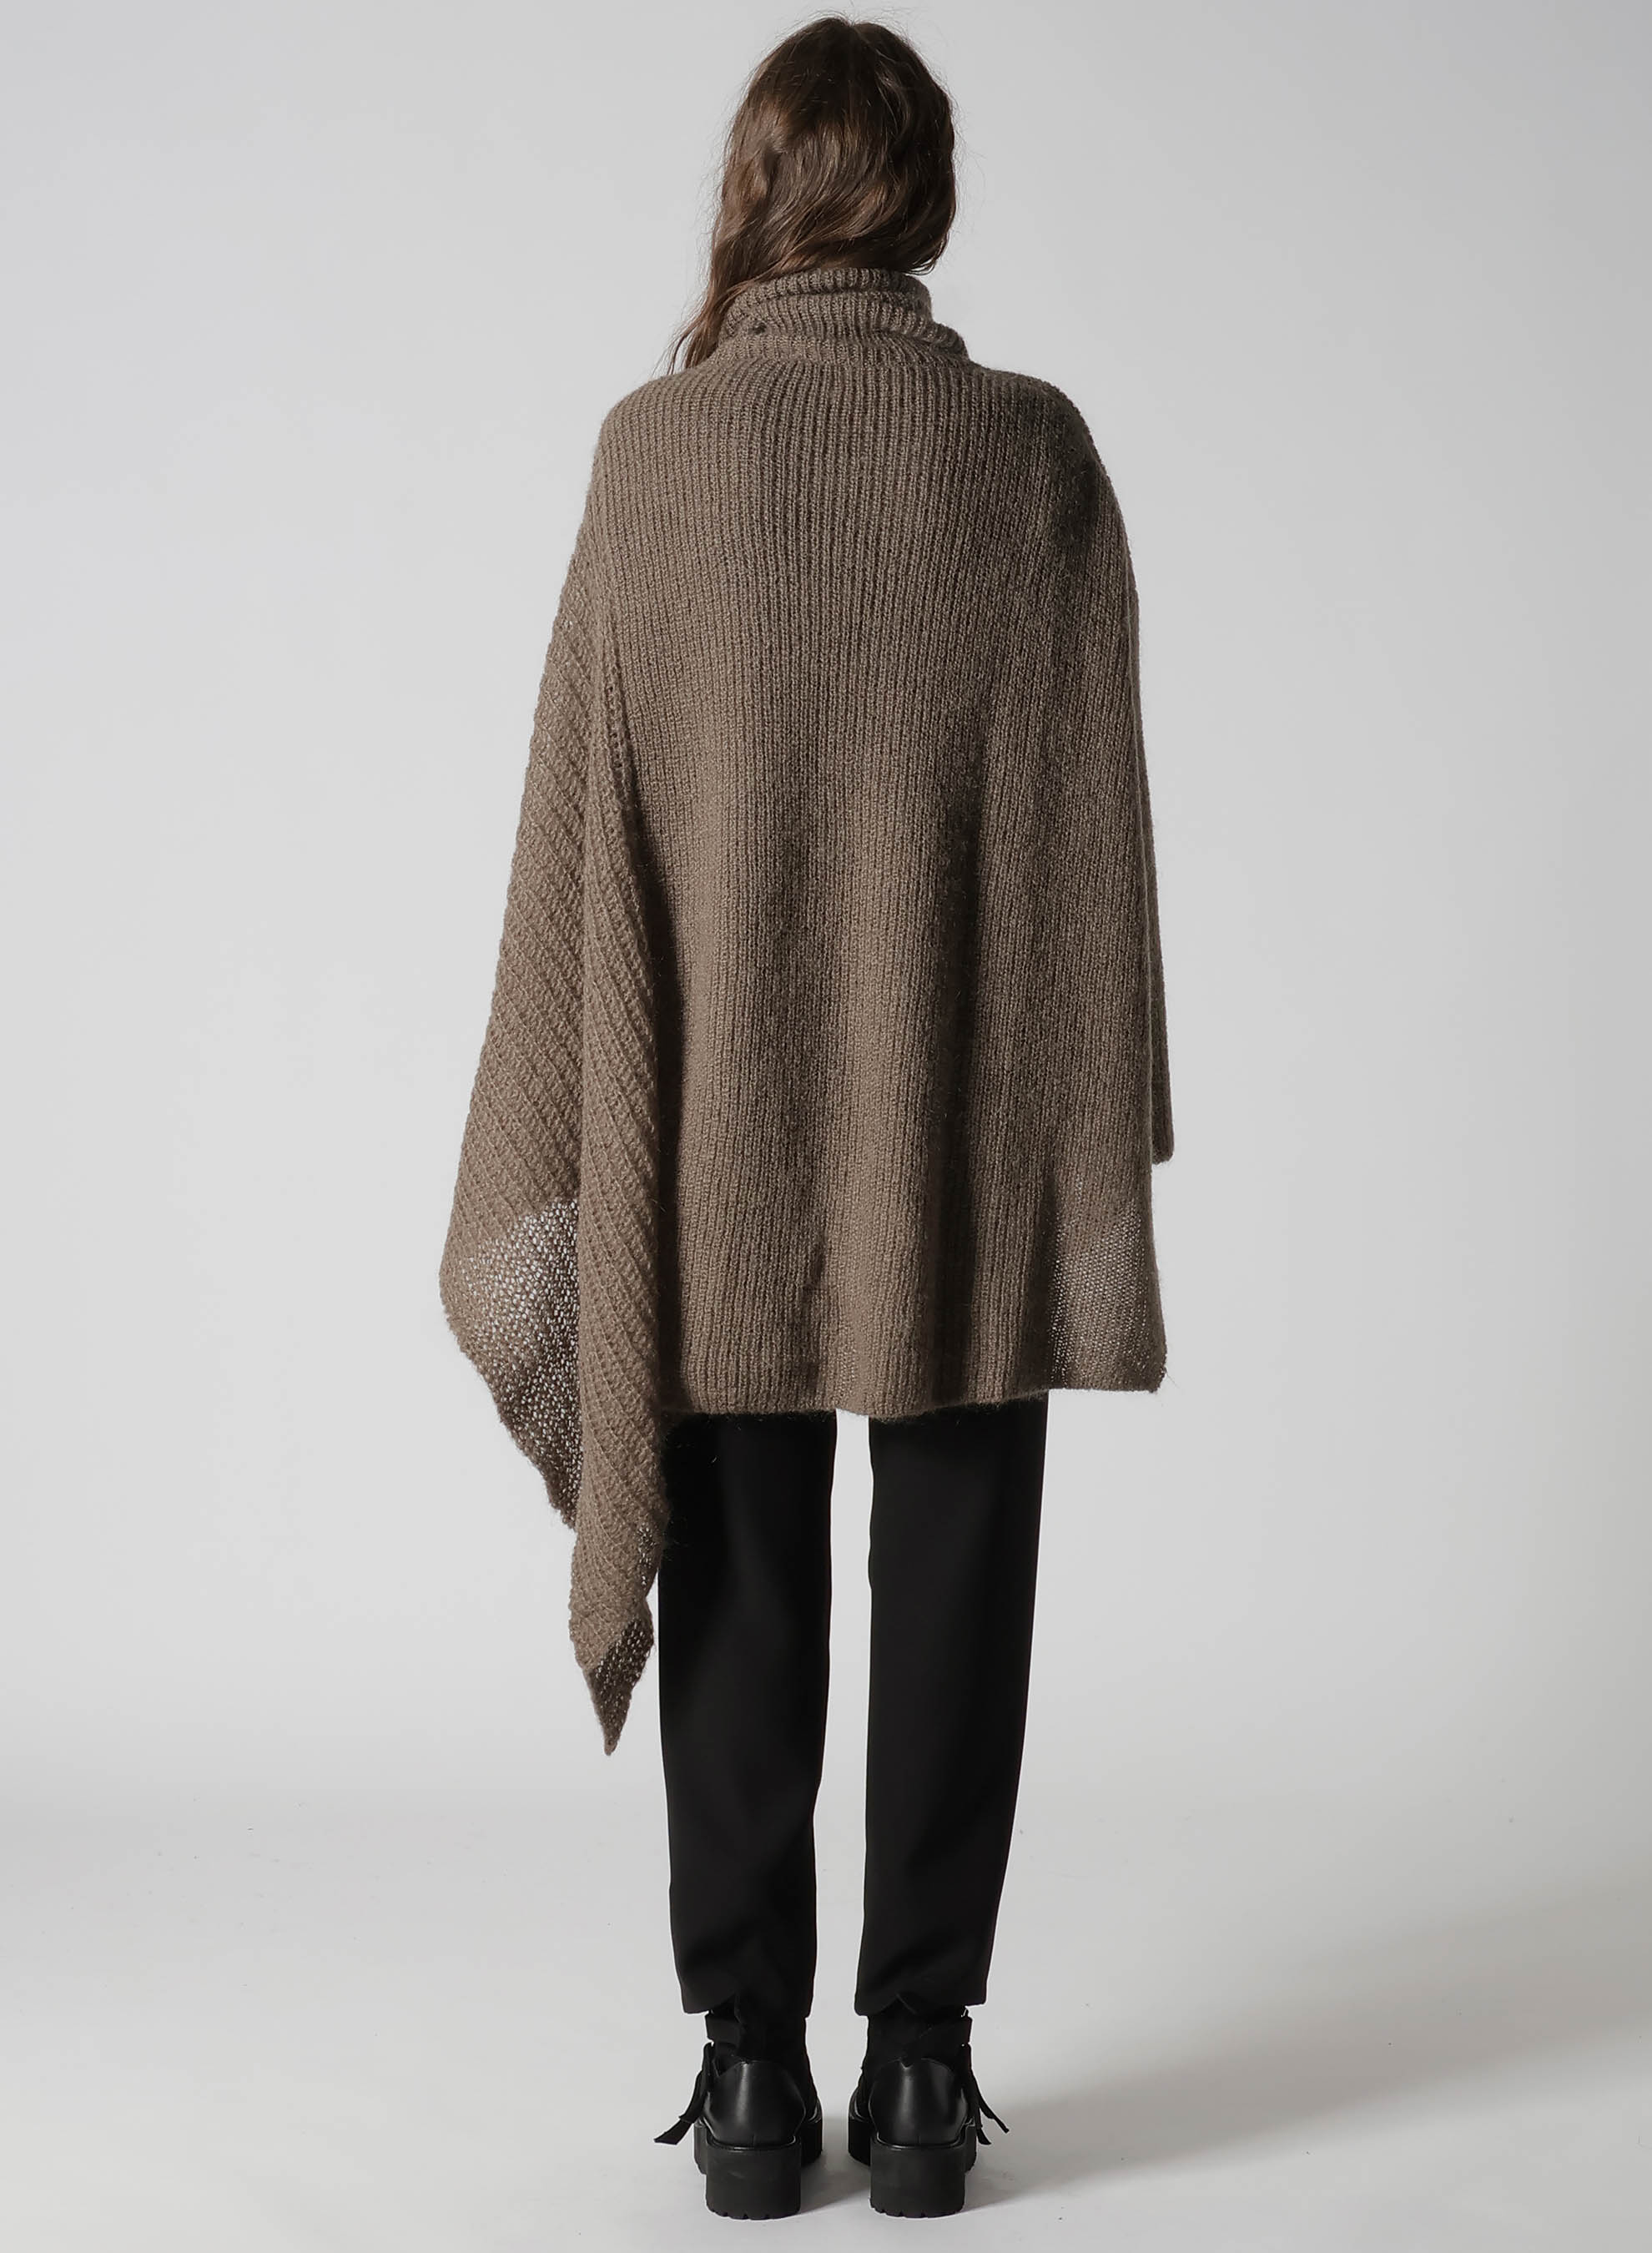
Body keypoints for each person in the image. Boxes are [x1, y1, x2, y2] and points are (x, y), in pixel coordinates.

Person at [440, 14, 1174, 2222]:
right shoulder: (1033, 453)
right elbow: (1090, 853)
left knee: (742, 1572)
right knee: (958, 1567)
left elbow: (584, 849)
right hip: (959, 1123)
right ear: (922, 196)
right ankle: (923, 2067)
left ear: (758, 188)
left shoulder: (654, 453)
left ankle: (752, 2067)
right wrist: (1063, 1120)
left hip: (719, 1134)